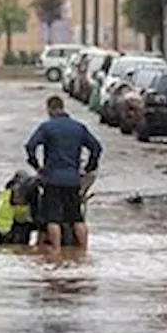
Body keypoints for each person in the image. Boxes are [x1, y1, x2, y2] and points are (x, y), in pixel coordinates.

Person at [25, 95, 102, 251]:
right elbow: (96, 148)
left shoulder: (47, 127)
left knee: (53, 218)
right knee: (76, 218)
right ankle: (84, 251)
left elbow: (30, 146)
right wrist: (88, 168)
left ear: (50, 109)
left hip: (52, 179)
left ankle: (57, 250)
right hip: (73, 180)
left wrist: (37, 166)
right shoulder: (79, 127)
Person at [0, 170, 40, 246]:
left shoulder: (35, 200)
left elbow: (40, 220)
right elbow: (2, 222)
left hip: (26, 222)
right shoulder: (7, 199)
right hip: (10, 222)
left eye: (20, 195)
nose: (17, 198)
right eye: (16, 195)